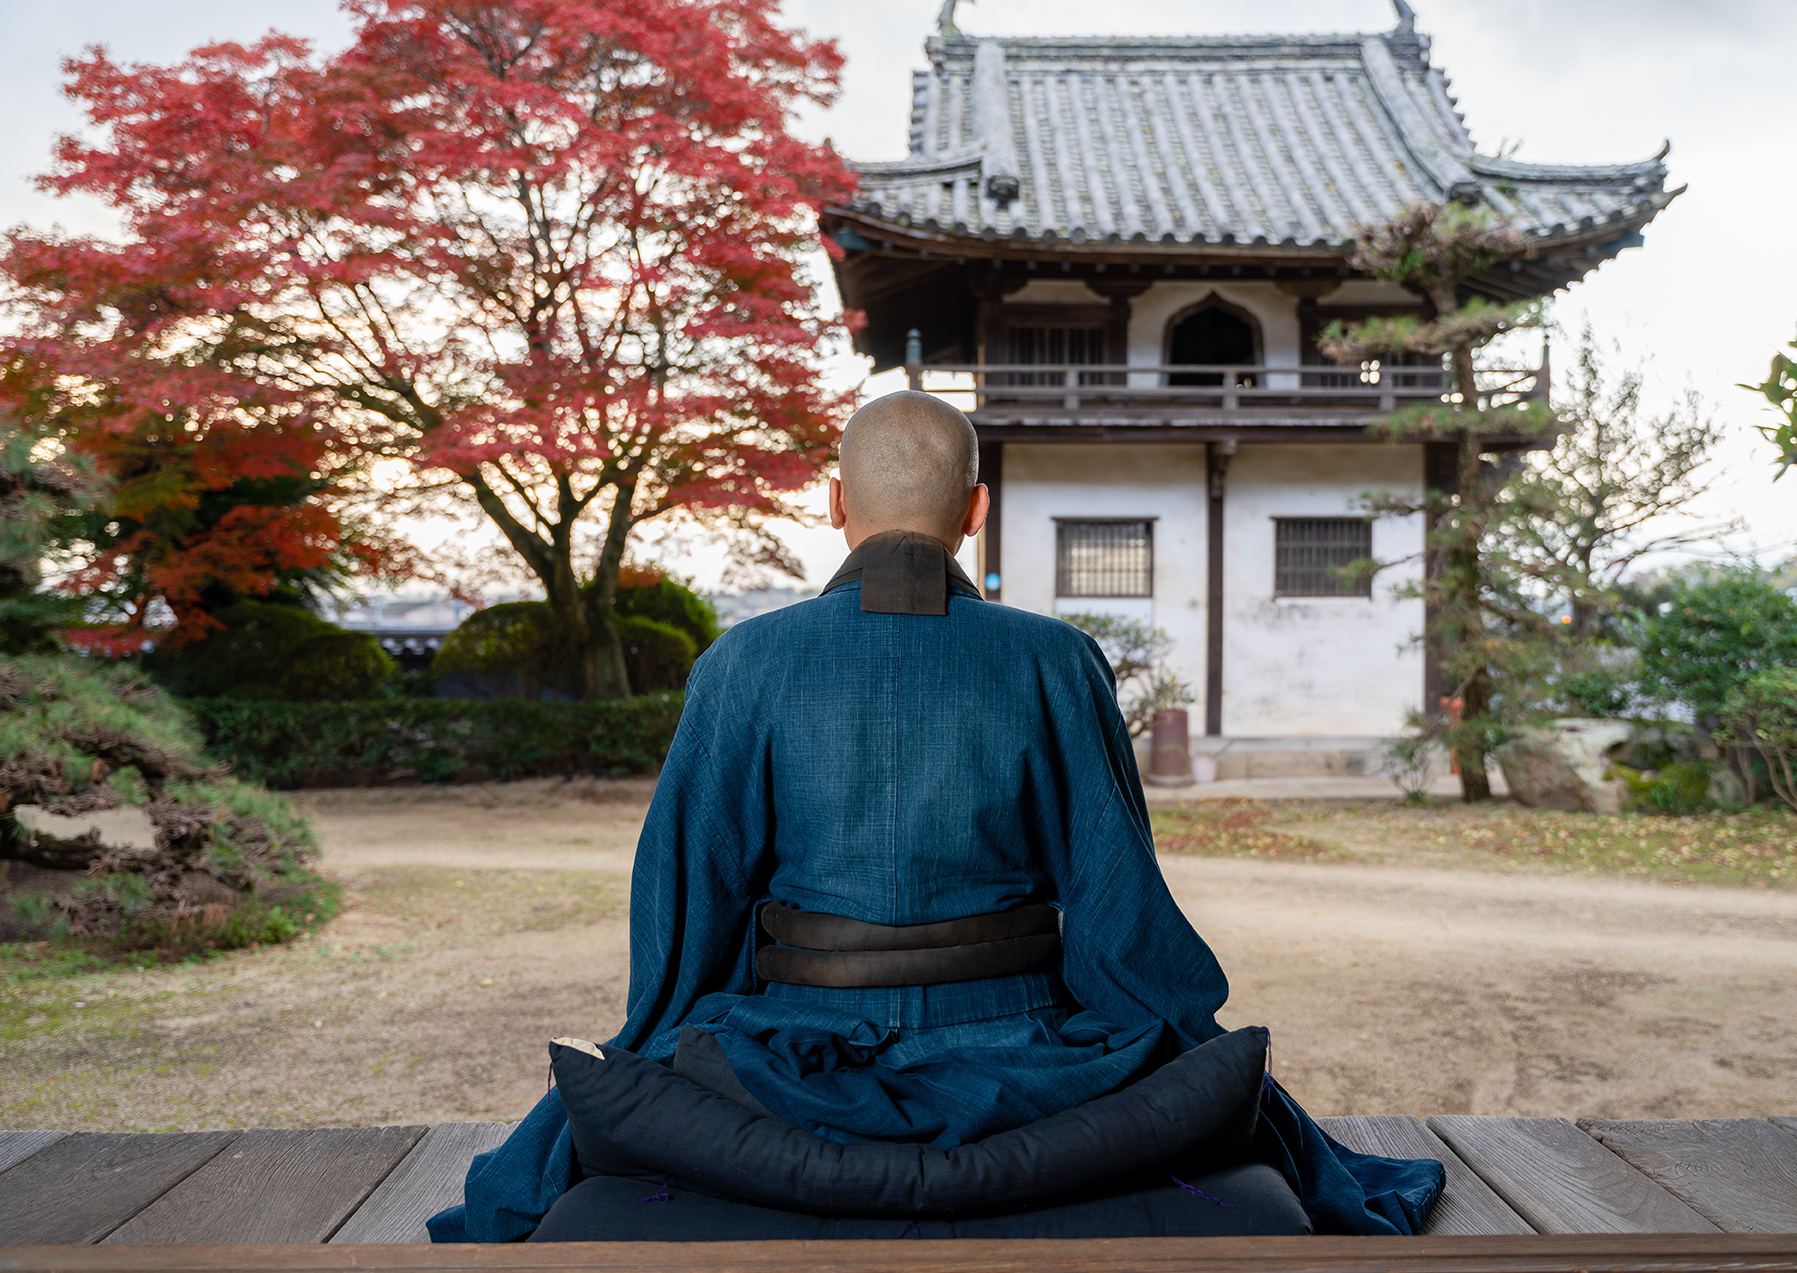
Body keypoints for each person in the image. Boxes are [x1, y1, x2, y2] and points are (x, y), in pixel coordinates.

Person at [428, 391, 1444, 1243]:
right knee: (1205, 1075)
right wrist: (1171, 1036)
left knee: (630, 1077)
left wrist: (667, 1036)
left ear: (835, 504)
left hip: (792, 1056)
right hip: (1024, 1053)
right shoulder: (1056, 660)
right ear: (977, 509)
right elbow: (1117, 908)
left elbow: (690, 905)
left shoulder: (742, 663)